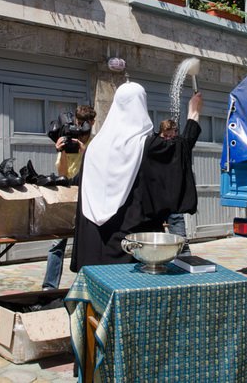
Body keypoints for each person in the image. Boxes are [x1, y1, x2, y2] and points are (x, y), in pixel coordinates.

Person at [69, 82, 202, 271]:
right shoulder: (145, 146)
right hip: (132, 248)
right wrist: (193, 113)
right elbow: (181, 149)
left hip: (94, 245)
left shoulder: (94, 147)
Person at [42, 105, 95, 290]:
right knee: (58, 242)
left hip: (87, 195)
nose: (81, 128)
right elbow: (63, 173)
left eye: (85, 124)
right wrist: (62, 151)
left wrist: (85, 152)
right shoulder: (68, 138)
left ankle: (88, 285)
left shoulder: (96, 143)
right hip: (67, 191)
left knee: (88, 242)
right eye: (79, 123)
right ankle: (49, 287)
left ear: (92, 123)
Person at [159, 119, 192, 256]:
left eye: (171, 136)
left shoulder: (179, 146)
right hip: (156, 203)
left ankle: (185, 260)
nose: (168, 139)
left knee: (181, 242)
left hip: (173, 202)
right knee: (155, 242)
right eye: (166, 136)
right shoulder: (155, 146)